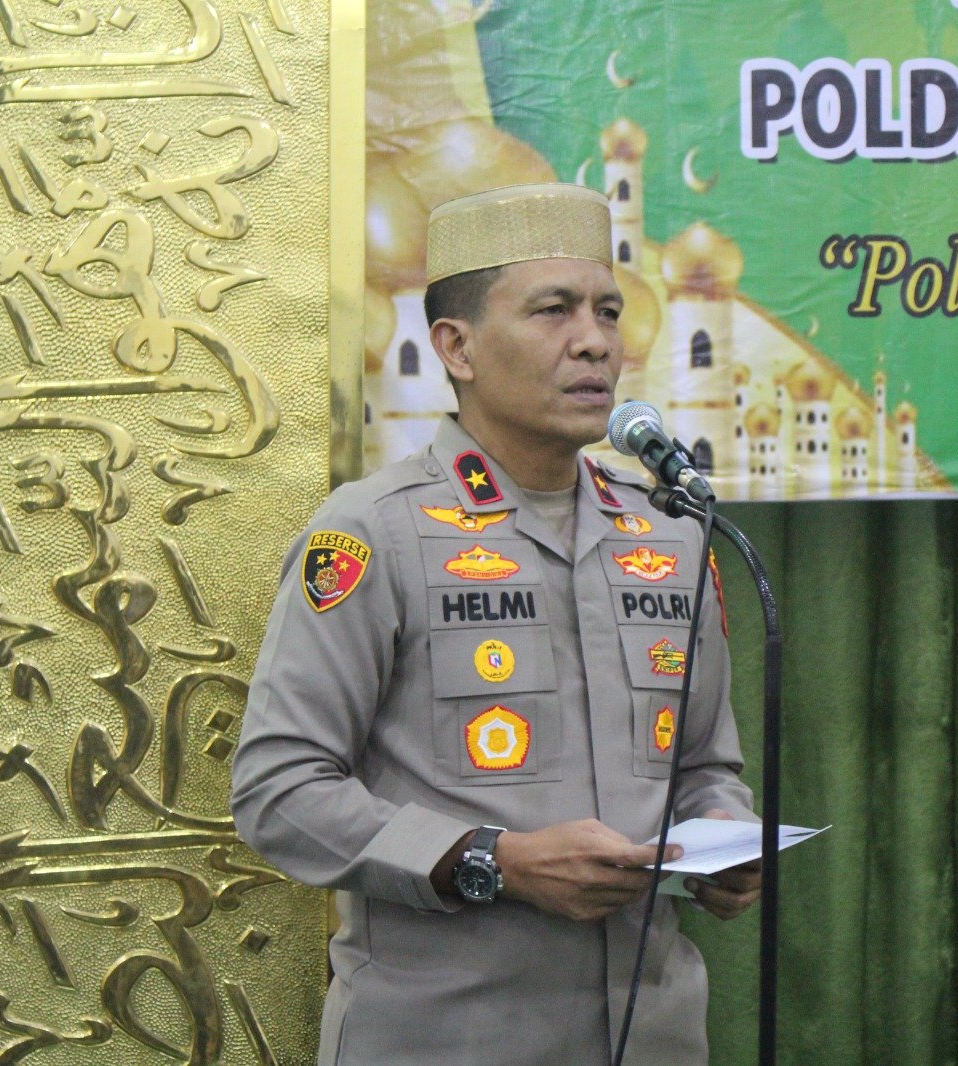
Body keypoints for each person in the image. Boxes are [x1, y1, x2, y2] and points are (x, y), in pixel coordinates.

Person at [231, 182, 760, 1065]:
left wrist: (723, 842)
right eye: (553, 310)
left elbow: (704, 765)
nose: (594, 341)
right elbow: (277, 789)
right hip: (445, 1038)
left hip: (652, 1035)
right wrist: (492, 860)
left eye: (607, 311)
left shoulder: (670, 535)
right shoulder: (375, 532)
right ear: (457, 346)